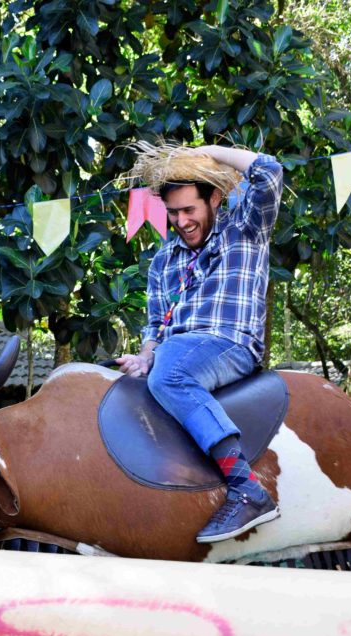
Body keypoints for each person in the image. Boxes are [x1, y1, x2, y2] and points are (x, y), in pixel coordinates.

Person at [116, 144, 284, 543]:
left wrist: (207, 152)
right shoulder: (163, 261)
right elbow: (155, 326)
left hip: (230, 344)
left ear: (215, 197)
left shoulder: (245, 229)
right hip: (176, 352)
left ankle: (247, 489)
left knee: (170, 374)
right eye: (173, 213)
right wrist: (144, 359)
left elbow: (270, 171)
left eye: (189, 209)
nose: (182, 221)